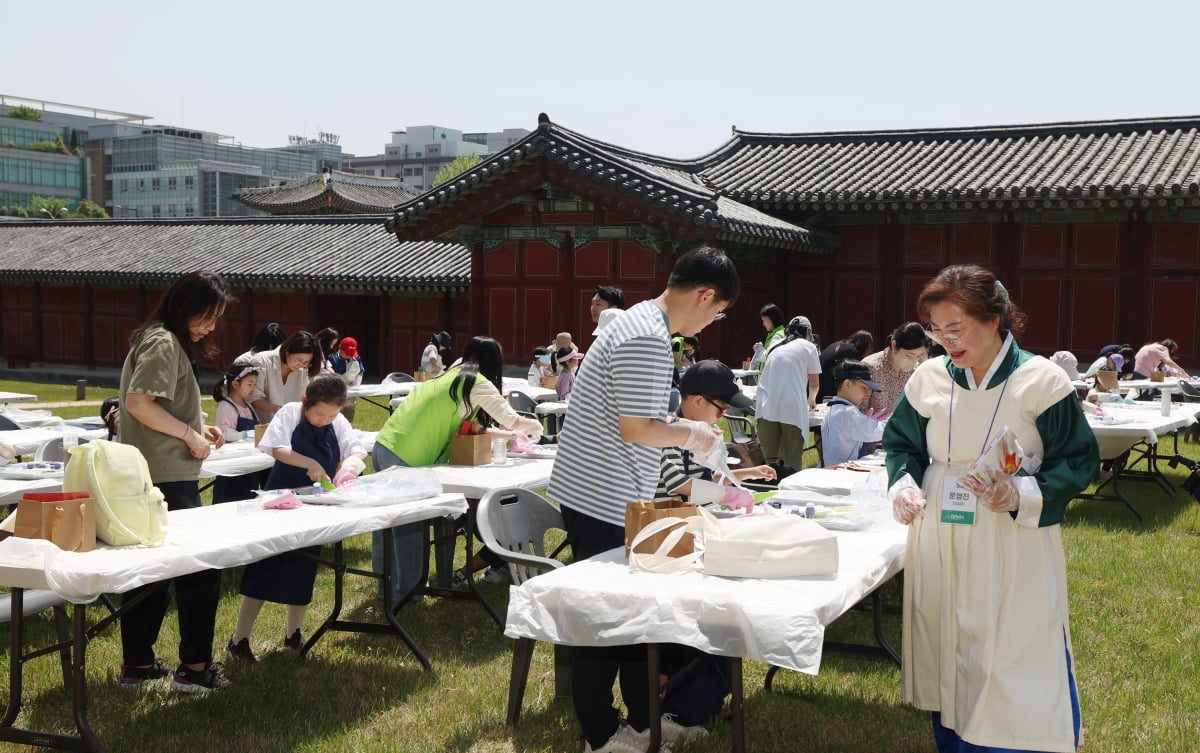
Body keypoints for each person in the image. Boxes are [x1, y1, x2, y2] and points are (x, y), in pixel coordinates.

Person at [883, 264, 1098, 753]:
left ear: (995, 317)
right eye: (937, 331)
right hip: (942, 526)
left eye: (955, 328)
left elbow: (1077, 460)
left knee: (1010, 643)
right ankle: (953, 738)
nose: (945, 343)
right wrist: (903, 484)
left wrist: (1020, 493)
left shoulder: (1040, 379)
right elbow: (902, 443)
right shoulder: (931, 377)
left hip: (1010, 533)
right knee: (946, 636)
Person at [547, 245, 737, 753]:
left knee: (634, 617)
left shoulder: (641, 323)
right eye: (718, 311)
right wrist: (691, 434)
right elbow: (636, 428)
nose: (713, 322)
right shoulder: (648, 337)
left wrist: (684, 431)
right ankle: (599, 735)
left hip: (612, 490)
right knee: (605, 621)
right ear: (704, 295)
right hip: (601, 493)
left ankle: (641, 721)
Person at [116, 270, 233, 692]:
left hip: (157, 471)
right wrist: (189, 435)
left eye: (216, 318)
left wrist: (200, 430)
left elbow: (155, 408)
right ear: (182, 306)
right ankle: (195, 668)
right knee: (200, 569)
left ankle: (139, 665)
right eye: (205, 315)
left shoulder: (163, 340)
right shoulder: (164, 341)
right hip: (164, 475)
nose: (209, 326)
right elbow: (138, 404)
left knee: (153, 573)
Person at [372, 336, 543, 598]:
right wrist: (533, 426)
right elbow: (510, 418)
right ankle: (409, 594)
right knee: (410, 529)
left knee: (386, 527)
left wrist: (510, 436)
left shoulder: (451, 378)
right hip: (407, 458)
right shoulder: (476, 381)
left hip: (386, 446)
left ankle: (386, 590)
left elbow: (475, 428)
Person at [227, 375, 366, 662]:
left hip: (314, 504)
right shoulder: (290, 412)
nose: (324, 420)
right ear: (305, 402)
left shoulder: (336, 421)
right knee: (264, 567)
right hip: (280, 500)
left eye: (331, 415)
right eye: (318, 414)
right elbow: (276, 448)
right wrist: (310, 463)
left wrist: (350, 467)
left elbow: (356, 448)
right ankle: (239, 639)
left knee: (305, 567)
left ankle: (294, 633)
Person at [656, 360, 776, 500]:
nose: (721, 418)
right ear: (698, 401)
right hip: (666, 518)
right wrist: (725, 494)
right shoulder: (668, 432)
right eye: (721, 410)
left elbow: (705, 479)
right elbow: (677, 483)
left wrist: (749, 473)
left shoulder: (706, 433)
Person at [756, 316, 821, 472]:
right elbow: (814, 383)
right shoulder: (809, 347)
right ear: (809, 331)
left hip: (765, 406)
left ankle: (766, 491)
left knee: (768, 459)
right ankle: (789, 492)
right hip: (791, 407)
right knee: (792, 458)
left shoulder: (776, 344)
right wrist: (811, 399)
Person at [211, 362, 261, 504]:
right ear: (235, 384)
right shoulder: (226, 405)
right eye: (249, 384)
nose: (253, 388)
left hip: (250, 464)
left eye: (254, 385)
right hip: (232, 467)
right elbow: (225, 433)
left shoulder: (249, 406)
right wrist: (245, 435)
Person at [821, 359, 887, 467]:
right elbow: (875, 432)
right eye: (863, 388)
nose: (866, 393)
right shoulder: (847, 413)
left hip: (836, 470)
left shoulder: (836, 409)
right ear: (847, 384)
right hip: (843, 475)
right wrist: (896, 419)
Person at [249, 330, 322, 424]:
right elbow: (253, 397)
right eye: (299, 360)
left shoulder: (303, 371)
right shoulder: (261, 361)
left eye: (306, 362)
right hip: (261, 426)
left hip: (289, 427)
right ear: (287, 351)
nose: (301, 365)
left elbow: (302, 399)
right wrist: (275, 409)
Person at [860, 322, 929, 415]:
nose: (914, 361)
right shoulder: (869, 368)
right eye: (910, 355)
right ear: (894, 345)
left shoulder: (915, 372)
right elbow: (857, 412)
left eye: (918, 356)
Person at [817, 329, 874, 402]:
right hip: (827, 388)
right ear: (865, 346)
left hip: (818, 382)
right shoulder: (852, 352)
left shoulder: (838, 344)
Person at [327, 336, 364, 422]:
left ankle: (349, 427)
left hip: (351, 389)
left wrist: (356, 384)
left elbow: (360, 372)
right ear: (340, 348)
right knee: (336, 410)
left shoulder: (356, 358)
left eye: (352, 353)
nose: (349, 356)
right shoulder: (332, 358)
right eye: (347, 353)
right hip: (336, 389)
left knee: (349, 409)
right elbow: (328, 370)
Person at [748, 303, 786, 371]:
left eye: (764, 320)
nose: (763, 324)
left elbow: (768, 356)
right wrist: (761, 348)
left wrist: (760, 349)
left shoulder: (778, 336)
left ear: (773, 319)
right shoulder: (778, 333)